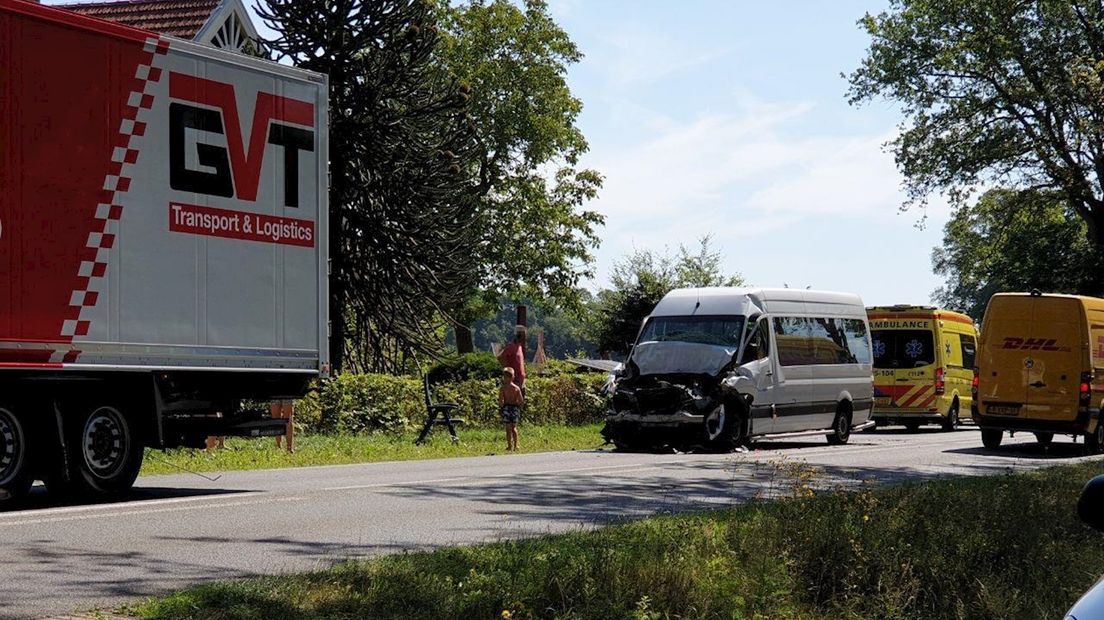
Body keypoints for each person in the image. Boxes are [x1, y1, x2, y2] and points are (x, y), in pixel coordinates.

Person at [497, 326, 527, 395]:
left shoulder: (519, 347)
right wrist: (507, 371)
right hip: (514, 381)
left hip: (521, 381)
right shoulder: (511, 346)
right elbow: (500, 357)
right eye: (523, 334)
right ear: (519, 335)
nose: (524, 337)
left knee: (521, 403)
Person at [499, 367, 523, 451]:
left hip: (506, 408)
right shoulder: (516, 388)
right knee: (514, 428)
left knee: (508, 428)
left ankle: (509, 445)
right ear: (513, 377)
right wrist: (516, 404)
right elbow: (520, 401)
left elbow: (501, 401)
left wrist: (501, 407)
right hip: (514, 408)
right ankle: (516, 445)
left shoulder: (503, 388)